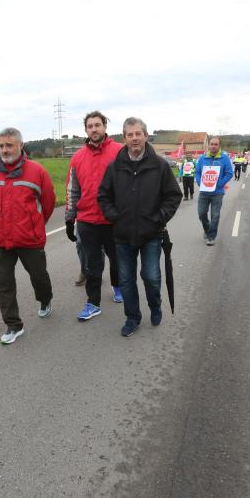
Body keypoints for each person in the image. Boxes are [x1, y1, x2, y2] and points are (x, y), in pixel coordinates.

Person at [98, 117, 182, 337]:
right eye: (130, 134)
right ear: (124, 138)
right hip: (122, 235)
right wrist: (115, 217)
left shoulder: (160, 165)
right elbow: (103, 196)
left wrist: (158, 218)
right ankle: (132, 317)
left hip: (151, 234)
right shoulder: (115, 167)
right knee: (126, 280)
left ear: (145, 136)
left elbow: (173, 196)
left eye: (138, 134)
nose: (134, 138)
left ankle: (155, 306)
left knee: (151, 277)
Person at [0, 127, 56, 345]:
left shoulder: (37, 171)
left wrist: (36, 224)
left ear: (20, 146)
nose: (4, 150)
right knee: (4, 283)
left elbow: (48, 202)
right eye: (1, 146)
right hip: (1, 238)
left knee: (39, 276)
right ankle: (13, 325)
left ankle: (45, 300)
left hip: (29, 238)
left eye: (9, 145)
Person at [65, 111, 124, 321]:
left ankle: (118, 286)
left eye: (97, 125)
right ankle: (93, 303)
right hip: (87, 221)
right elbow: (73, 190)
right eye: (90, 126)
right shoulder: (78, 157)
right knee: (92, 265)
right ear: (86, 130)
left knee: (117, 260)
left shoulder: (119, 151)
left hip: (113, 220)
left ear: (105, 127)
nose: (94, 129)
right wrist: (69, 218)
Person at [195, 136, 234, 246]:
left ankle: (211, 237)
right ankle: (207, 230)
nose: (213, 146)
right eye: (211, 144)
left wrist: (220, 183)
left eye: (215, 144)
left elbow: (229, 173)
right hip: (204, 192)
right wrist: (199, 182)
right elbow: (197, 172)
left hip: (218, 192)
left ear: (219, 146)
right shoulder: (203, 158)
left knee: (215, 215)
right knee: (201, 213)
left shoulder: (224, 158)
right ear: (209, 145)